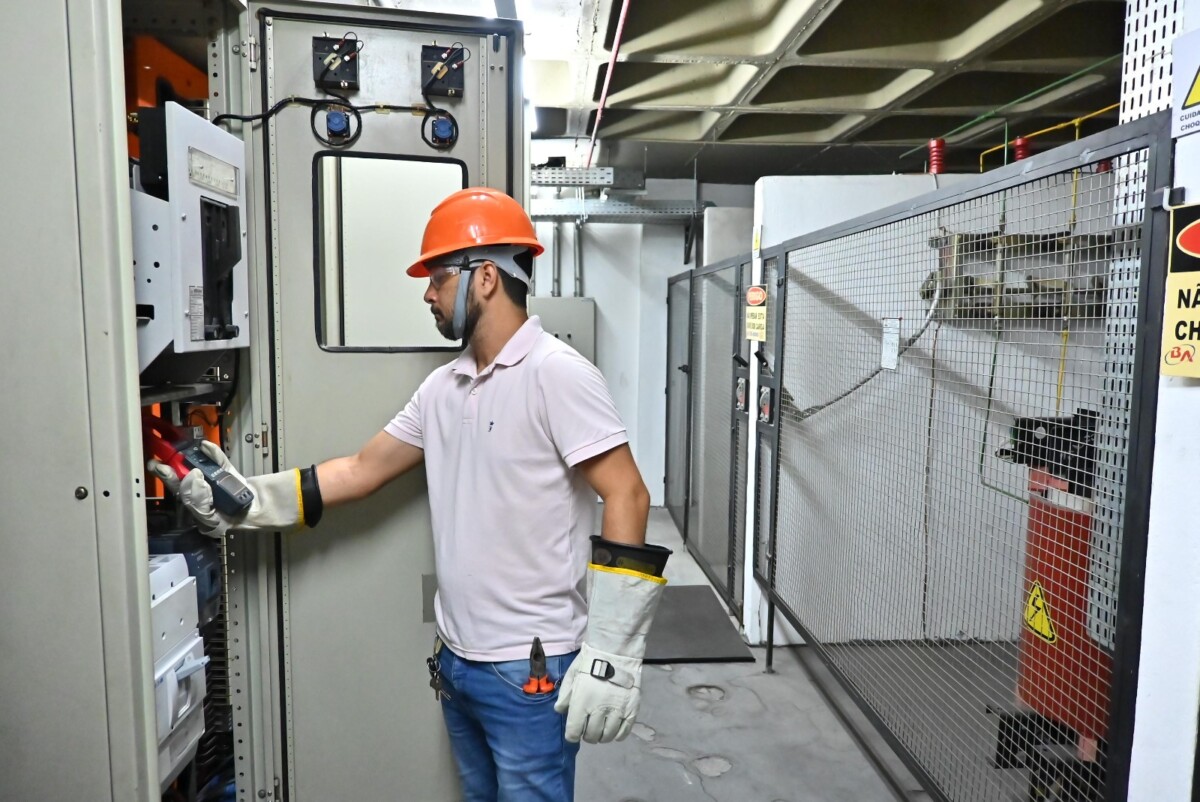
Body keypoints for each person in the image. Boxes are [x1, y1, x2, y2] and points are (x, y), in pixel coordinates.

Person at [150, 186, 671, 802]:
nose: (427, 294)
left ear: (485, 277)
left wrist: (612, 653)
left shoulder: (556, 374)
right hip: (458, 662)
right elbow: (361, 470)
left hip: (532, 671)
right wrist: (244, 500)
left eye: (438, 277)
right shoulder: (443, 388)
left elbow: (628, 494)